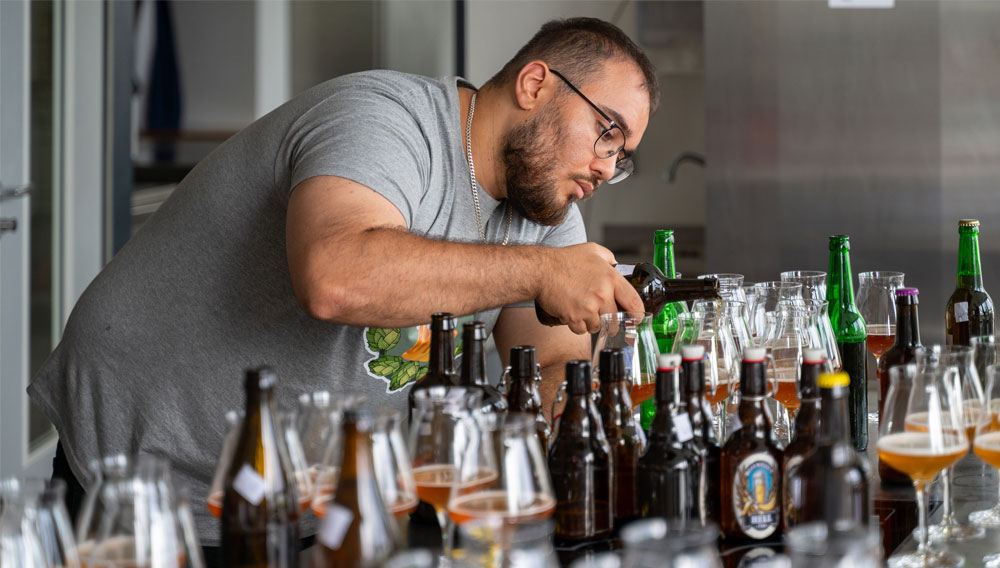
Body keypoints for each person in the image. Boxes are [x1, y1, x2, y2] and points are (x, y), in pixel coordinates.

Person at [28, 16, 658, 552]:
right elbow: (334, 276)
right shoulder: (383, 118)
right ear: (534, 84)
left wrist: (571, 396)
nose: (608, 166)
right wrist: (542, 272)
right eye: (607, 131)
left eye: (623, 155)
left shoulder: (547, 210)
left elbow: (543, 364)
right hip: (150, 468)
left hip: (318, 492)